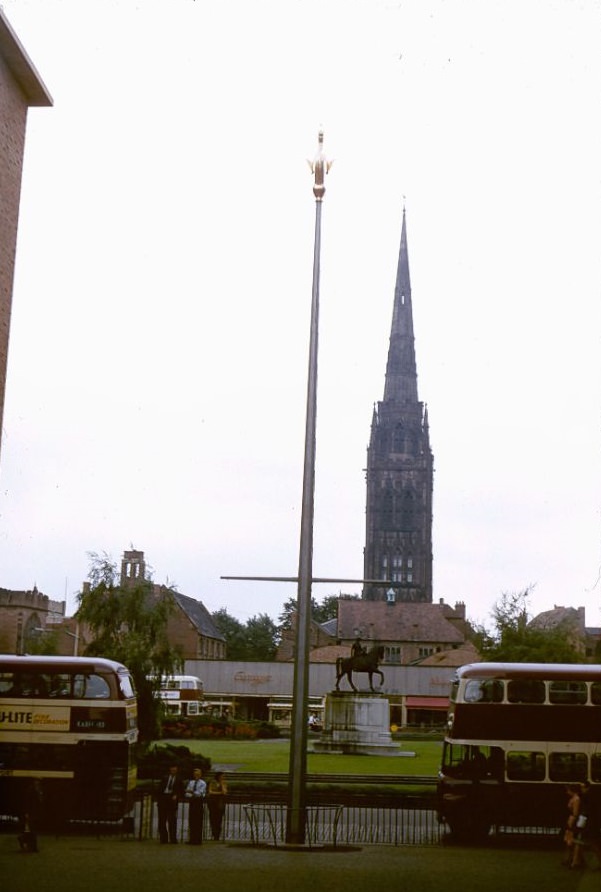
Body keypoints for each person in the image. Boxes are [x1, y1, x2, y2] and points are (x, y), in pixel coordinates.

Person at [571, 781, 601, 870]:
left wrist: (579, 824)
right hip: (591, 824)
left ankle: (576, 862)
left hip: (588, 825)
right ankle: (576, 862)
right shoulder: (591, 796)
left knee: (589, 843)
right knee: (591, 844)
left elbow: (585, 812)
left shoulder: (586, 798)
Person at [157, 765, 183, 844]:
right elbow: (160, 789)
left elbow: (182, 790)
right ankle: (163, 839)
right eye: (172, 769)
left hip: (172, 800)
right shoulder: (164, 778)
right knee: (162, 820)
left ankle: (173, 839)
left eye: (175, 769)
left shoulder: (179, 779)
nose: (173, 770)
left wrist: (176, 795)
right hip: (163, 799)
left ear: (177, 770)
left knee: (172, 820)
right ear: (170, 769)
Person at [17, 779, 43, 853]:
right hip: (32, 813)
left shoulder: (39, 790)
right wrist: (27, 812)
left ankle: (31, 846)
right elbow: (27, 802)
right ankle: (33, 847)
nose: (37, 783)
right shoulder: (31, 790)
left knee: (33, 831)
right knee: (32, 831)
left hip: (35, 813)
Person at [184, 767, 207, 845]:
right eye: (195, 774)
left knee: (198, 821)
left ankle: (198, 840)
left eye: (198, 774)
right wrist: (192, 793)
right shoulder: (191, 782)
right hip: (192, 802)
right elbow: (186, 793)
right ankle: (192, 839)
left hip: (198, 803)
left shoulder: (203, 783)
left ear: (200, 775)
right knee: (192, 821)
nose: (196, 775)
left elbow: (199, 794)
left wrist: (192, 792)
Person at [562, 784, 581, 866]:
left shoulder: (576, 799)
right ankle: (571, 858)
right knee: (569, 841)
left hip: (572, 819)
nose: (567, 792)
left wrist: (572, 822)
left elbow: (575, 812)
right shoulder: (574, 798)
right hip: (571, 819)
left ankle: (572, 859)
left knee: (571, 841)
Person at [207, 771, 228, 841]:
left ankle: (217, 835)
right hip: (212, 803)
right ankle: (214, 833)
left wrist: (222, 784)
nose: (223, 777)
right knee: (212, 819)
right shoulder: (213, 782)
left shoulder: (224, 783)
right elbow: (210, 791)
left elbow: (224, 792)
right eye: (222, 776)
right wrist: (219, 793)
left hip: (220, 803)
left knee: (219, 819)